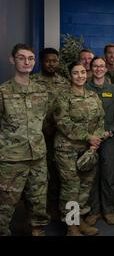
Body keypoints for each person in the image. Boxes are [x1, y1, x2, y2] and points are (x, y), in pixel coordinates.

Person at [0, 44, 49, 236]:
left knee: (38, 201)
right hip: (12, 159)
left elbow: (44, 120)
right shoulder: (3, 92)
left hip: (37, 156)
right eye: (21, 58)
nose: (26, 62)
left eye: (30, 58)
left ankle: (38, 230)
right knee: (5, 204)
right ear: (12, 60)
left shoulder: (41, 91)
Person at [53, 61, 106, 236]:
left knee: (85, 185)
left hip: (88, 150)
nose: (80, 76)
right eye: (76, 73)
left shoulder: (93, 96)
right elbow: (63, 123)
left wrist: (95, 139)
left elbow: (100, 119)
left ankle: (80, 220)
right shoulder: (62, 97)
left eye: (83, 72)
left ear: (87, 73)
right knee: (71, 188)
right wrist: (88, 137)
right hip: (67, 150)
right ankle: (72, 227)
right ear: (70, 75)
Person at [85, 57, 114, 226]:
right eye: (95, 66)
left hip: (109, 139)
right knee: (91, 176)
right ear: (91, 68)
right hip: (90, 140)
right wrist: (89, 136)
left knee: (109, 175)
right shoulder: (84, 88)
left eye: (101, 66)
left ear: (106, 69)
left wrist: (110, 131)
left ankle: (108, 210)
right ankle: (94, 211)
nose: (99, 69)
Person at [31, 48, 69, 219]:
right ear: (41, 61)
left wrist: (55, 127)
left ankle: (54, 205)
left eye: (54, 60)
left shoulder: (64, 83)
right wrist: (42, 128)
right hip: (36, 137)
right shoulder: (32, 82)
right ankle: (36, 211)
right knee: (38, 174)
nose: (51, 64)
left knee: (56, 172)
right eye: (48, 60)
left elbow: (68, 109)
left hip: (59, 135)